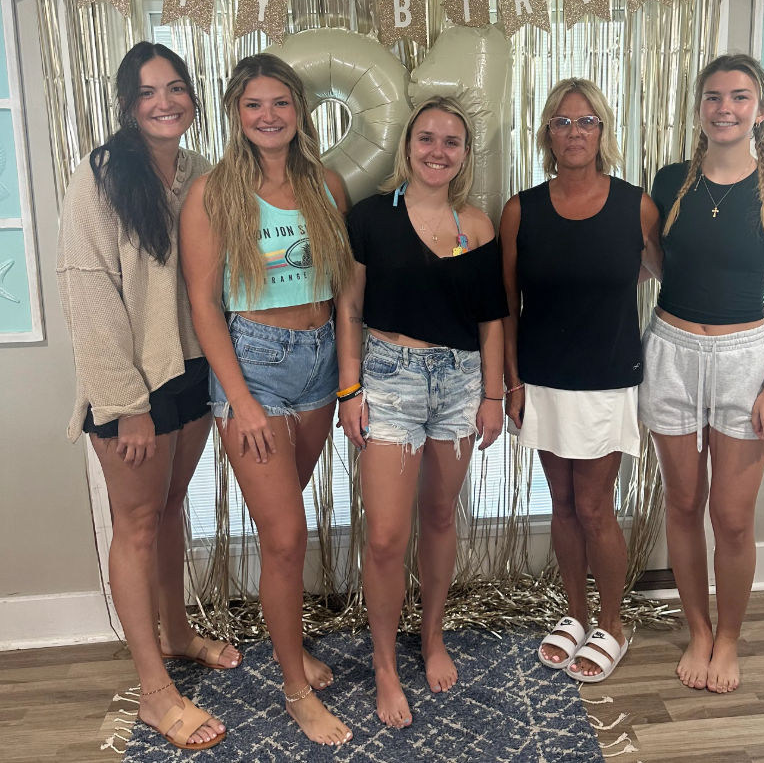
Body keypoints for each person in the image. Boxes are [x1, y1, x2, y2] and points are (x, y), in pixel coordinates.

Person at [57, 42, 240, 751]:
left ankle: (179, 634)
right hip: (128, 389)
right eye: (147, 92)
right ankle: (155, 694)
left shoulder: (199, 172)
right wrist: (127, 401)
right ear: (127, 105)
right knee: (135, 526)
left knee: (167, 513)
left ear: (192, 98)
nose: (164, 102)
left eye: (175, 88)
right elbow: (89, 294)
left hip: (189, 373)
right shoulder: (101, 177)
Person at [179, 54, 354, 746]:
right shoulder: (213, 193)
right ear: (235, 112)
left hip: (316, 366)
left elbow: (344, 293)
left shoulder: (327, 185)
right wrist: (242, 402)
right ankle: (292, 688)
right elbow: (201, 301)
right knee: (286, 537)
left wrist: (346, 379)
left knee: (283, 532)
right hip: (255, 364)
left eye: (280, 102)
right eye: (254, 105)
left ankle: (292, 644)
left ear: (299, 110)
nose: (269, 116)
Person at [639, 53, 764, 693]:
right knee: (682, 505)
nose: (725, 108)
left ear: (759, 111)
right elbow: (654, 266)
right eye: (713, 97)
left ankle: (729, 638)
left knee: (732, 518)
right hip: (672, 351)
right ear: (700, 109)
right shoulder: (670, 180)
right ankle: (699, 631)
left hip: (745, 361)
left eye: (739, 97)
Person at [336, 96, 507, 728]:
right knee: (385, 536)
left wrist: (493, 396)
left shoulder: (477, 223)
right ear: (407, 146)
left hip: (460, 386)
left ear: (465, 154)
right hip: (388, 380)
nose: (438, 151)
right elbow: (348, 310)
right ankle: (385, 664)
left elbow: (492, 320)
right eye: (426, 138)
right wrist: (349, 390)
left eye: (451, 142)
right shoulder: (372, 218)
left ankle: (431, 637)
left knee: (439, 518)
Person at [499, 79, 661, 684]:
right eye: (562, 122)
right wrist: (513, 381)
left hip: (606, 378)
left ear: (602, 132)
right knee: (562, 504)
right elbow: (507, 304)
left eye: (586, 121)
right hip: (543, 379)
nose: (574, 132)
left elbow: (663, 274)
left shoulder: (635, 205)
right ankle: (574, 614)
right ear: (548, 134)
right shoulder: (522, 209)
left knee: (594, 507)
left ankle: (613, 625)